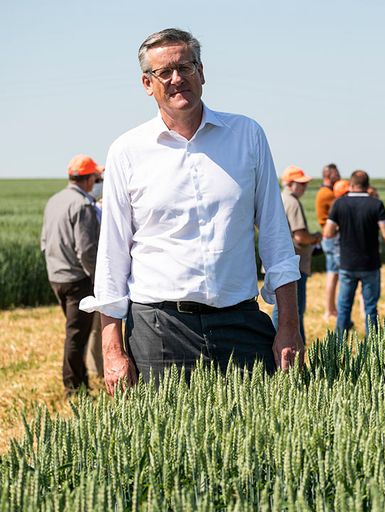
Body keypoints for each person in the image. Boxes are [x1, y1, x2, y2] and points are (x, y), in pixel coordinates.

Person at [79, 28, 303, 395]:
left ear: (202, 72)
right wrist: (112, 348)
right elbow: (113, 255)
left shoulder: (247, 135)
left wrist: (290, 326)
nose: (177, 78)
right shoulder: (127, 150)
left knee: (254, 441)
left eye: (186, 66)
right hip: (158, 328)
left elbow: (277, 240)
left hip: (240, 320)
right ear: (147, 84)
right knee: (163, 444)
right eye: (164, 72)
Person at [41, 155, 103, 396]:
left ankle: (82, 380)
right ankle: (74, 389)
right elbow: (86, 250)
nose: (96, 182)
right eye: (95, 178)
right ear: (87, 180)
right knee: (77, 335)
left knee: (76, 331)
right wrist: (99, 279)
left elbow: (44, 241)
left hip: (56, 276)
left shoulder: (55, 200)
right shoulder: (83, 206)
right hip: (78, 280)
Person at [324, 170, 385, 336]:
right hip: (370, 263)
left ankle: (339, 345)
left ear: (351, 185)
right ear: (367, 186)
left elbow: (328, 232)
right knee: (370, 307)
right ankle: (373, 347)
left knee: (344, 307)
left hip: (347, 262)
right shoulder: (376, 204)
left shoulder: (339, 204)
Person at [273, 166, 322, 342]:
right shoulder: (292, 202)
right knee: (293, 310)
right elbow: (300, 236)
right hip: (295, 262)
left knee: (281, 307)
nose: (304, 187)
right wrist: (316, 238)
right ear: (290, 184)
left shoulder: (277, 198)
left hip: (279, 261)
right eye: (301, 184)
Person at [315, 163, 341, 321]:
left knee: (333, 273)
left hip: (328, 237)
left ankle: (331, 308)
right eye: (336, 173)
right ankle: (330, 309)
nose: (339, 176)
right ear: (329, 175)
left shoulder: (325, 192)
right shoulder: (327, 194)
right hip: (331, 237)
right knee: (333, 274)